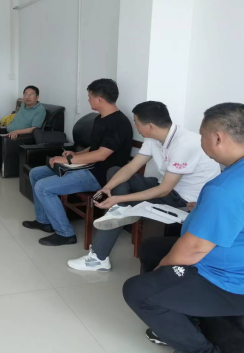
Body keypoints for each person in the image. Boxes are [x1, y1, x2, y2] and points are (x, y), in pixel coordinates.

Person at [123, 103, 244, 353]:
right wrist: (204, 207)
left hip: (229, 281)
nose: (201, 142)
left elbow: (193, 250)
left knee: (137, 291)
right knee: (151, 247)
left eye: (203, 136)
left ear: (218, 138)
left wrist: (161, 272)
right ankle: (182, 319)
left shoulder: (226, 188)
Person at [67, 101, 220, 271]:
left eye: (136, 122)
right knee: (115, 171)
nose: (135, 127)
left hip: (184, 199)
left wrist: (119, 198)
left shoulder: (184, 144)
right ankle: (120, 210)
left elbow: (164, 190)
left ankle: (99, 257)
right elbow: (131, 167)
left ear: (150, 126)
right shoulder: (153, 138)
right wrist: (107, 188)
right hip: (165, 187)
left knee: (118, 204)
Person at [22, 79, 133, 246]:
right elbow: (94, 148)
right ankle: (44, 221)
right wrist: (76, 154)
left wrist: (67, 159)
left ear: (99, 99)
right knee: (35, 173)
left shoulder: (119, 123)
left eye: (89, 97)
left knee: (43, 187)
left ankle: (65, 234)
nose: (88, 100)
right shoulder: (101, 118)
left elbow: (101, 155)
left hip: (100, 175)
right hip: (87, 166)